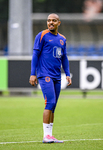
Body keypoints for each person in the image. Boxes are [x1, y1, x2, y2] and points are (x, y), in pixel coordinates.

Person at [29, 13, 72, 143]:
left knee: (53, 106)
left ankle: (50, 135)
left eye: (53, 20)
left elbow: (64, 58)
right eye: (48, 20)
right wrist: (33, 73)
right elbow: (35, 54)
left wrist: (68, 74)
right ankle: (45, 136)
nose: (50, 23)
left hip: (57, 76)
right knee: (50, 102)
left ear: (59, 23)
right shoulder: (42, 35)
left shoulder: (62, 39)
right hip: (44, 74)